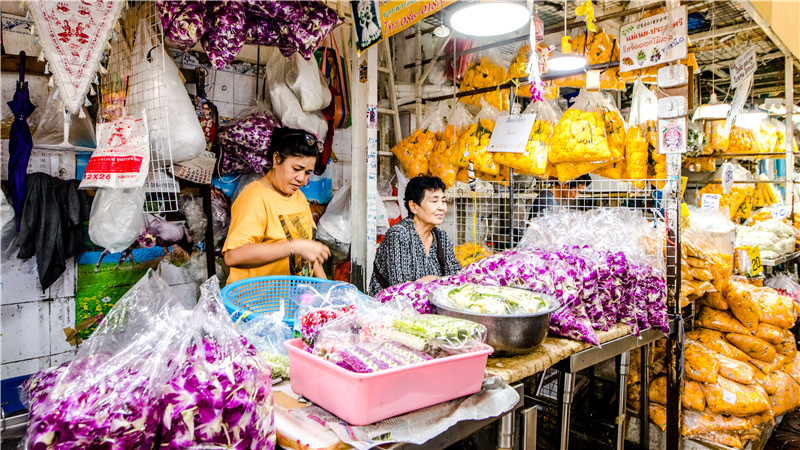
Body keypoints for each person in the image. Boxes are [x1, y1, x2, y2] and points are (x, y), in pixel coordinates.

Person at [223, 128, 330, 283]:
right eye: (296, 169)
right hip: (258, 302)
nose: (301, 178)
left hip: (294, 301)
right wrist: (294, 247)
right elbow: (233, 256)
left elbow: (308, 253)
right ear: (276, 159)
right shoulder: (255, 196)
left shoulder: (299, 197)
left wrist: (328, 288)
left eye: (307, 172)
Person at [368, 176, 461, 296]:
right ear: (414, 206)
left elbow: (455, 281)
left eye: (443, 201)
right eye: (434, 201)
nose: (441, 207)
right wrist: (438, 281)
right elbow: (400, 288)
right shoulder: (399, 235)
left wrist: (430, 281)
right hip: (393, 309)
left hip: (428, 308)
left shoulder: (441, 237)